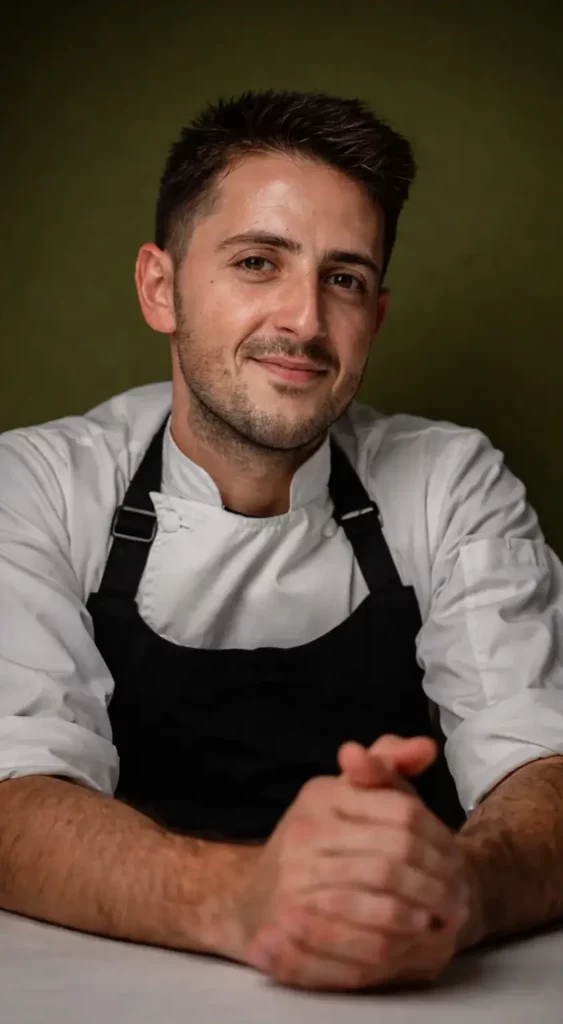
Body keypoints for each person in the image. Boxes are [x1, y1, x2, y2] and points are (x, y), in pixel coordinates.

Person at [1, 90, 563, 993]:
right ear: (160, 287)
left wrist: (462, 888)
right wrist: (239, 898)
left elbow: (543, 765)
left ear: (375, 315)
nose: (303, 321)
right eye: (258, 262)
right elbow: (11, 793)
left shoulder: (447, 479)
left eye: (343, 279)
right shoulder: (34, 485)